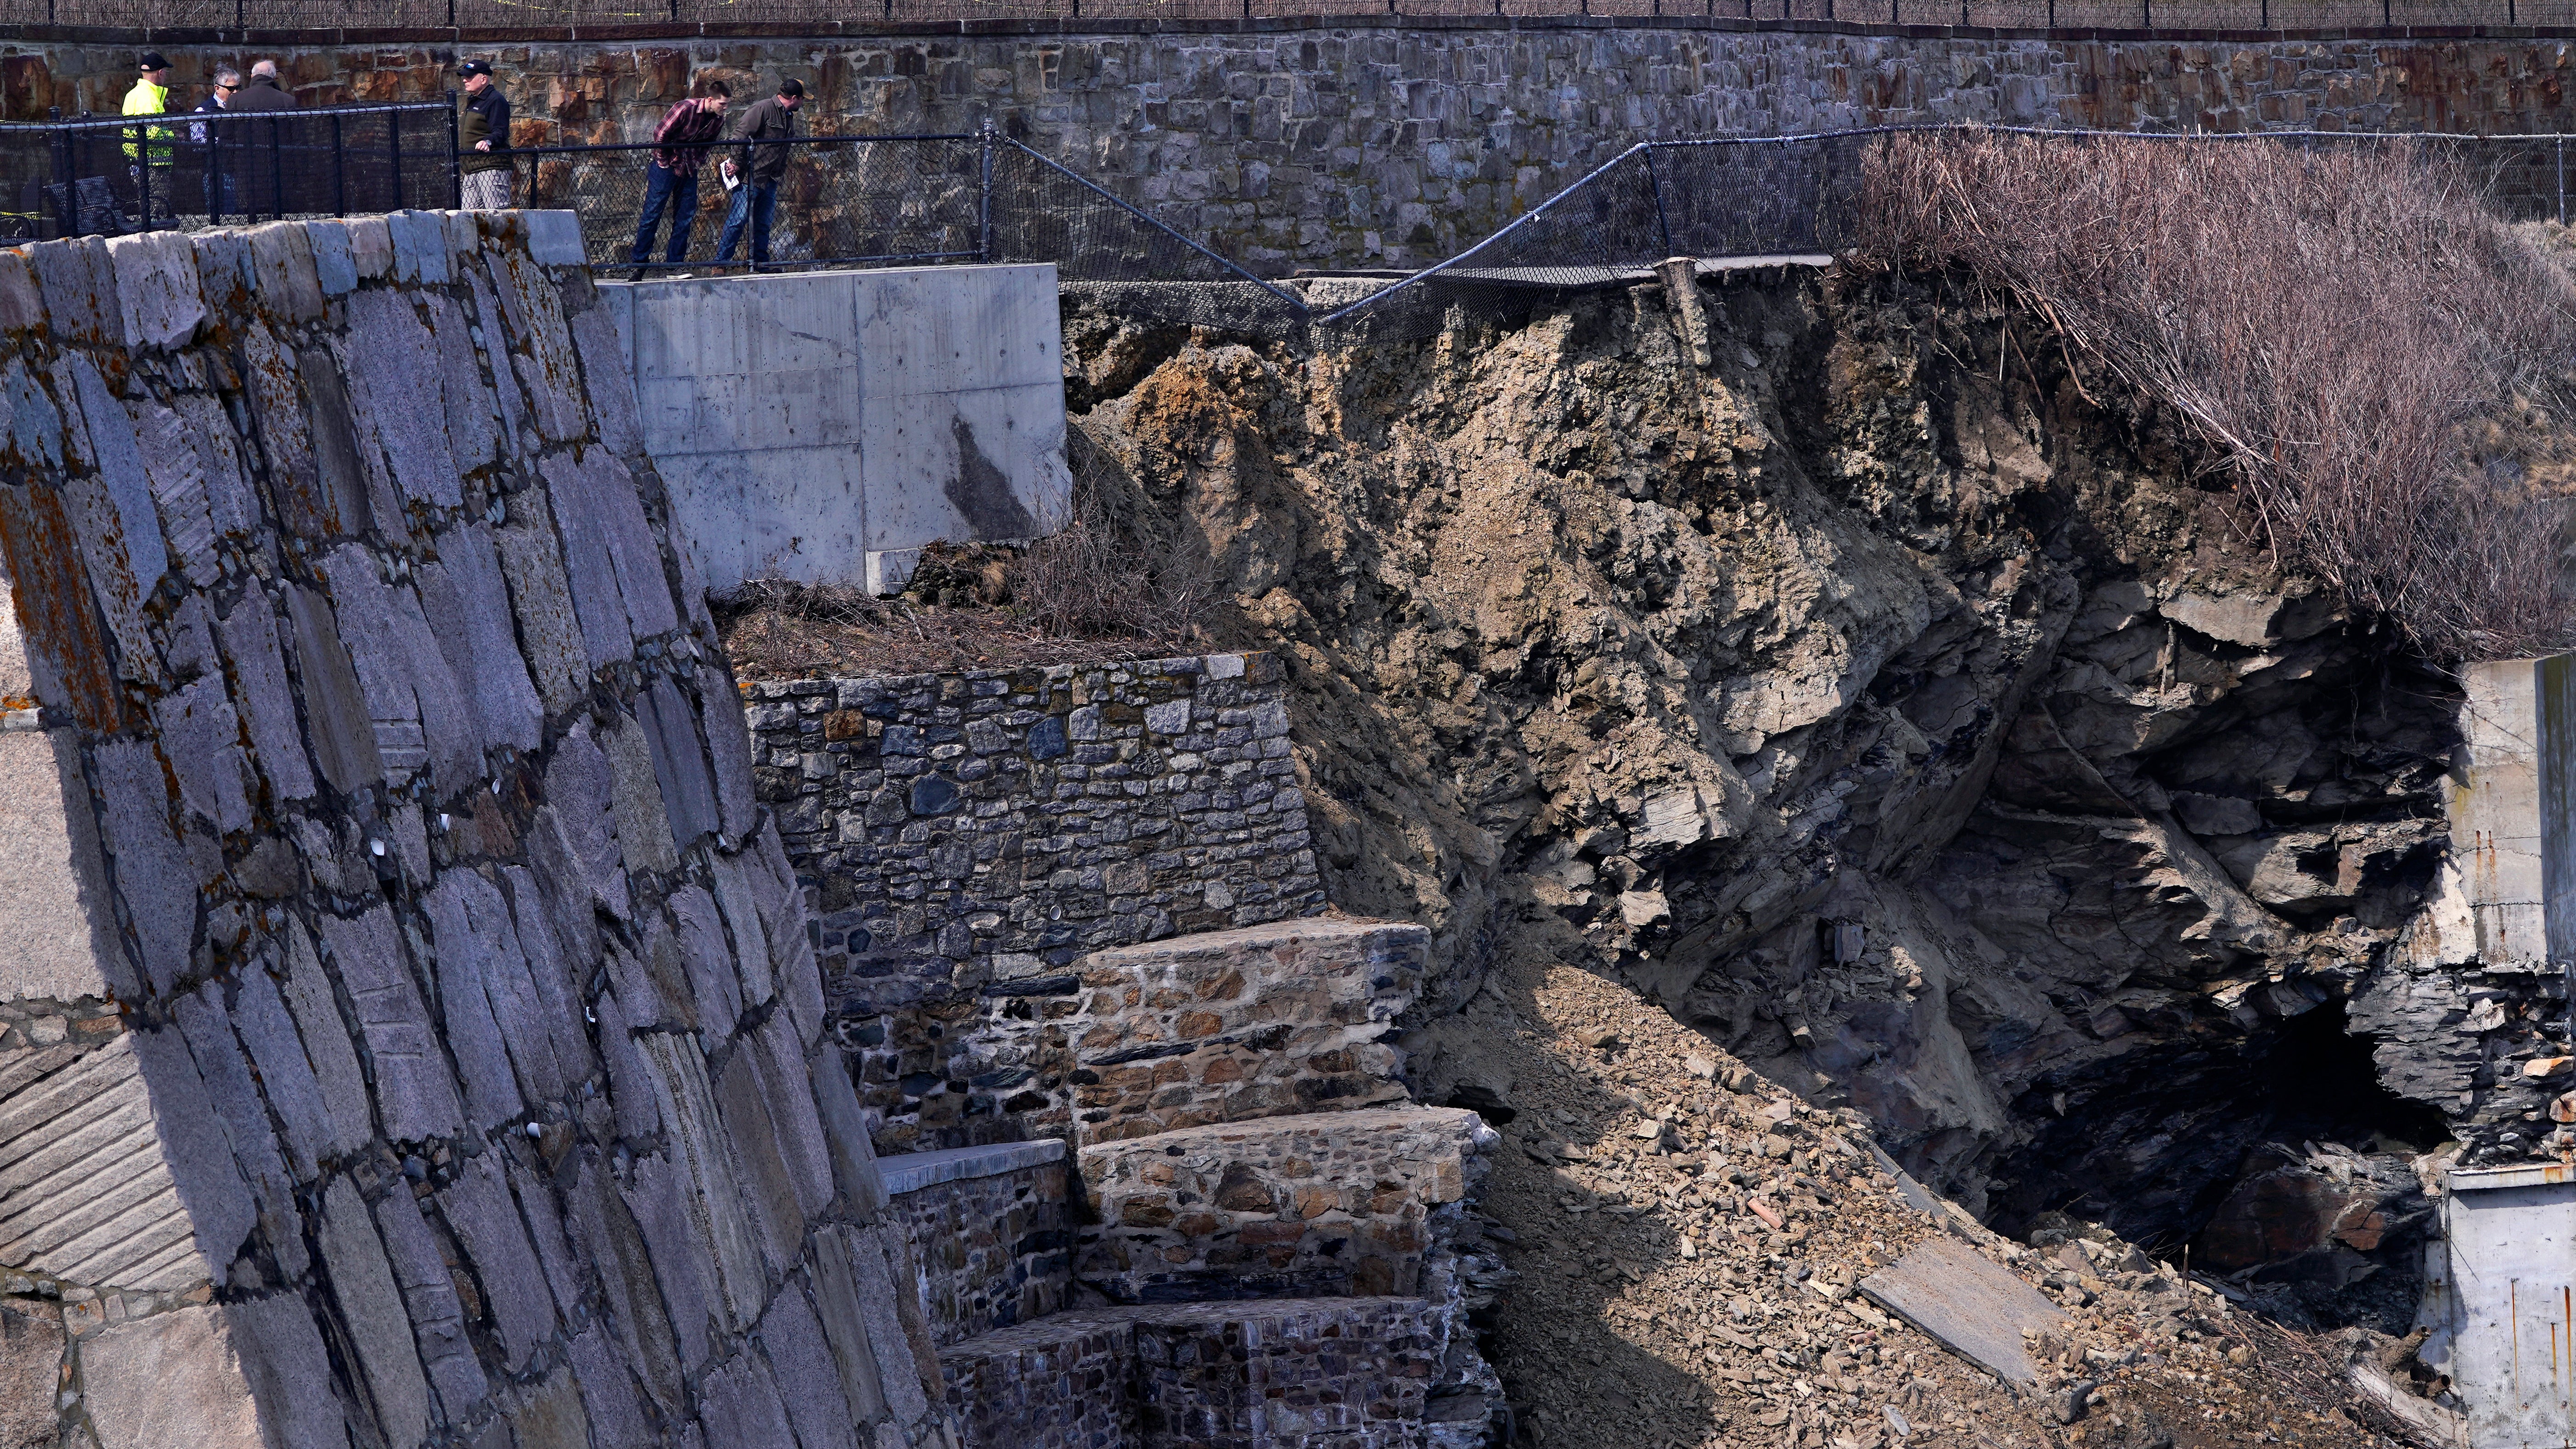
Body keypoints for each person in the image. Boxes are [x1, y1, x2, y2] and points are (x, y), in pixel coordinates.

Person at [627, 79, 730, 279]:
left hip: (689, 169)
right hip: (667, 167)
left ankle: (675, 266)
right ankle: (638, 265)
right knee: (652, 215)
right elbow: (660, 133)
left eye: (727, 104)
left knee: (685, 218)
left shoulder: (718, 120)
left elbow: (708, 145)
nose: (725, 108)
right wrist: (663, 162)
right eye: (722, 104)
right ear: (710, 100)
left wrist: (698, 162)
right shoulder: (686, 108)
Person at [714, 77, 802, 270]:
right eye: (802, 99)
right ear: (795, 98)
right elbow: (740, 135)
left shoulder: (787, 116)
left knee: (763, 224)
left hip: (770, 179)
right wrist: (736, 163)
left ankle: (761, 263)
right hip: (751, 177)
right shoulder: (763, 109)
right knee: (738, 220)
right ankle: (720, 264)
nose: (802, 104)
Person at [121, 51, 174, 216]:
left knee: (145, 205)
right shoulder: (150, 98)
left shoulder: (132, 95)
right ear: (160, 73)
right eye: (166, 71)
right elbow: (152, 133)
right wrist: (173, 135)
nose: (166, 75)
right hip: (154, 164)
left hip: (136, 161)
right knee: (157, 209)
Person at [457, 60, 513, 210]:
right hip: (472, 169)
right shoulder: (474, 101)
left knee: (497, 215)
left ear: (483, 79)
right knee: (469, 216)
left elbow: (501, 131)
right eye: (465, 77)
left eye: (470, 77)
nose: (465, 80)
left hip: (492, 168)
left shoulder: (495, 100)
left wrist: (488, 141)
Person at [190, 66, 241, 218]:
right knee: (220, 213)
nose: (236, 92)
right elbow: (197, 142)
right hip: (215, 170)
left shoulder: (239, 108)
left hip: (236, 169)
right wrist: (220, 141)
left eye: (238, 88)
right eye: (231, 89)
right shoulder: (204, 111)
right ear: (217, 89)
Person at [228, 58, 295, 111]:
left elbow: (227, 124)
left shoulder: (234, 100)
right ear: (274, 78)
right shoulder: (289, 101)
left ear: (252, 76)